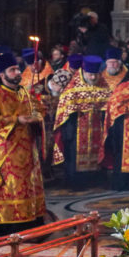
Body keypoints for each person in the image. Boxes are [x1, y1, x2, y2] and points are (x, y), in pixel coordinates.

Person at [0, 53, 46, 239]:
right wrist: (16, 120)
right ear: (1, 75)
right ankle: (4, 227)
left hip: (27, 150)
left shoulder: (25, 92)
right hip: (4, 153)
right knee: (8, 189)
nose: (17, 72)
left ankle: (29, 224)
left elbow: (39, 111)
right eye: (12, 70)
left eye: (17, 69)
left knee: (26, 186)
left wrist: (38, 114)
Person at [54, 55, 110, 189]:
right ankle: (76, 182)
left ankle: (95, 179)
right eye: (90, 75)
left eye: (95, 75)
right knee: (74, 155)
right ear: (83, 72)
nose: (92, 78)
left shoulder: (104, 86)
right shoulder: (72, 89)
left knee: (97, 153)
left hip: (97, 126)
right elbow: (64, 110)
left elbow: (109, 105)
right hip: (76, 129)